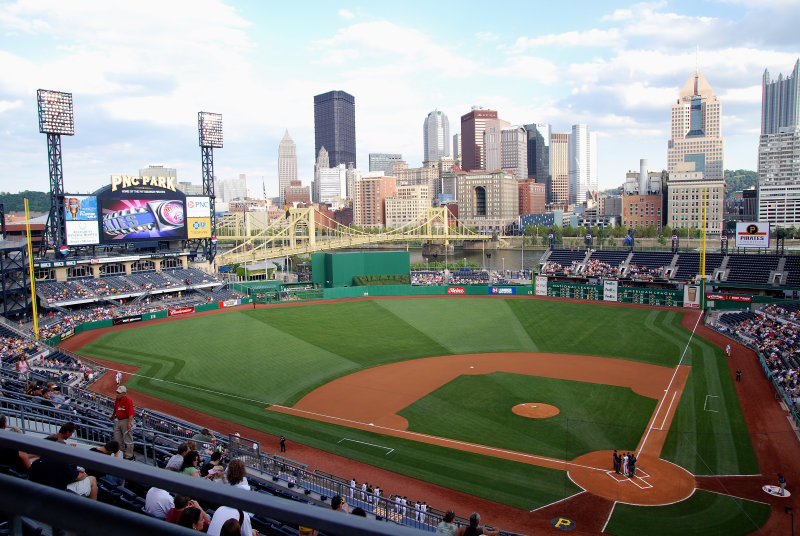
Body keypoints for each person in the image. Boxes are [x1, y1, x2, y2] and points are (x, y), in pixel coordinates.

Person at [111, 385, 135, 460]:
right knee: (117, 439)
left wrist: (129, 424)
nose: (117, 394)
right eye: (117, 392)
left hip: (126, 420)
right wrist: (113, 416)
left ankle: (129, 456)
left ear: (124, 394)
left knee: (128, 439)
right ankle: (122, 453)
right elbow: (115, 408)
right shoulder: (117, 399)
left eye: (119, 393)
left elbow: (131, 414)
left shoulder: (128, 400)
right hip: (119, 420)